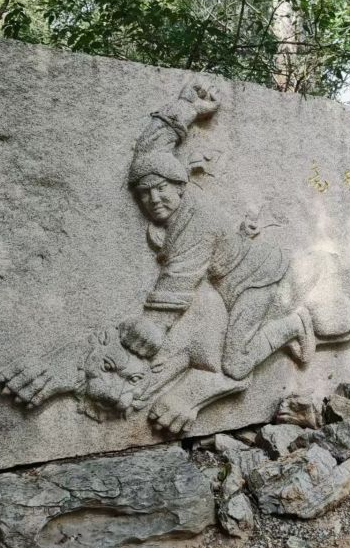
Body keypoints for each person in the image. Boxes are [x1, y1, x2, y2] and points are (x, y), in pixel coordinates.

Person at [119, 148, 315, 382]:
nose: (153, 199)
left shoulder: (197, 218)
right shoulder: (178, 218)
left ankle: (294, 325)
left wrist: (155, 324)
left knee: (236, 365)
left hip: (254, 279)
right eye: (144, 192)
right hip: (230, 286)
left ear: (179, 187)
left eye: (161, 188)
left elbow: (181, 275)